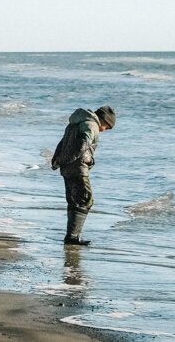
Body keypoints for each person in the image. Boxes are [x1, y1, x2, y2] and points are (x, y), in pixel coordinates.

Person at [50, 105, 116, 246]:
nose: (104, 131)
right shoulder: (91, 125)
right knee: (85, 199)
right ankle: (73, 238)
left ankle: (72, 236)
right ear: (104, 120)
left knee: (74, 200)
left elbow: (62, 143)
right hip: (78, 167)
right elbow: (82, 145)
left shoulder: (75, 123)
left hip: (67, 167)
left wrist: (57, 160)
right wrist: (87, 160)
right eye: (107, 127)